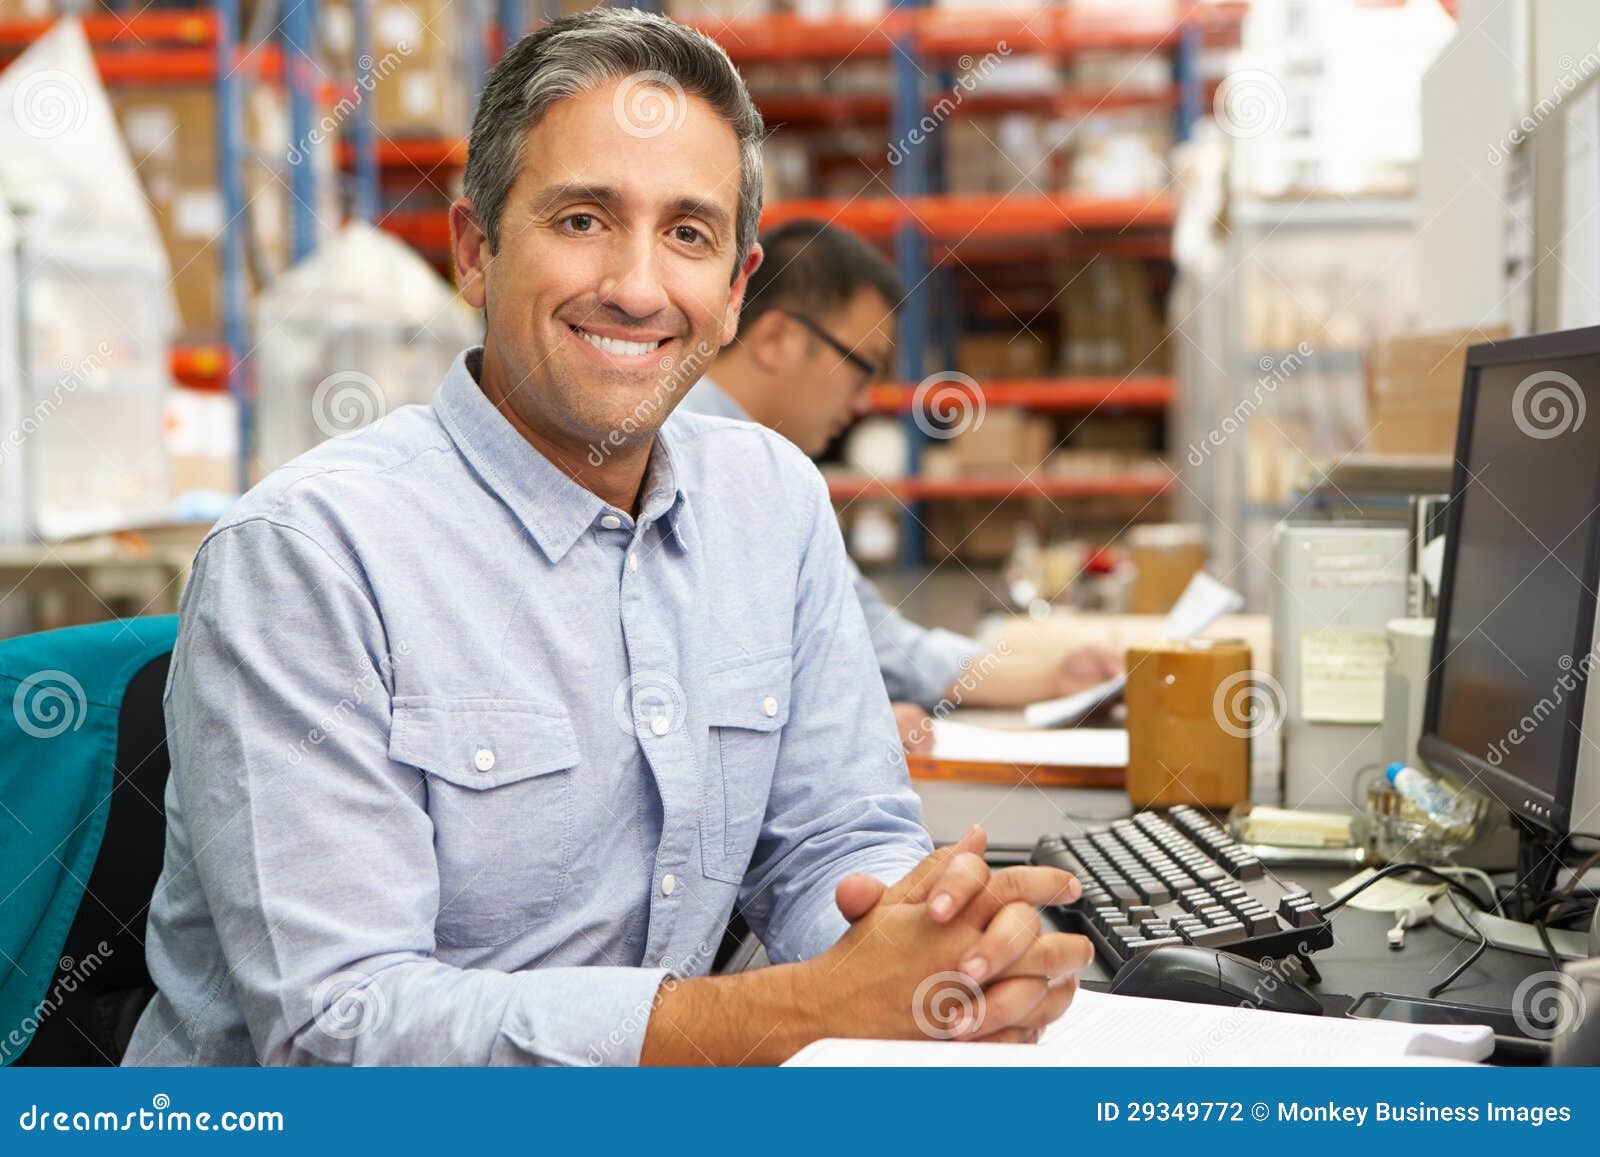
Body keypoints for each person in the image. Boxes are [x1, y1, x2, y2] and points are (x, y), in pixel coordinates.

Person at [124, 10, 1091, 1068]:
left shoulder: (773, 500)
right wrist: (805, 1007)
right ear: (474, 252)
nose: (636, 286)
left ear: (732, 289)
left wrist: (931, 943)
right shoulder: (309, 555)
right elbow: (341, 1032)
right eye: (583, 218)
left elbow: (834, 839)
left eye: (687, 233)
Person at [679, 220, 1123, 750]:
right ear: (775, 340)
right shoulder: (690, 459)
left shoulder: (769, 473)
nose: (864, 402)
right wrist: (831, 731)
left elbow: (870, 639)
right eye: (861, 368)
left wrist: (1049, 679)